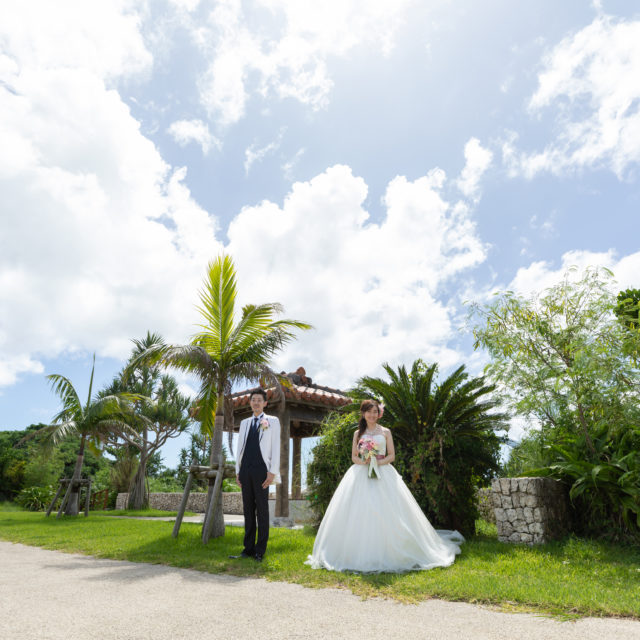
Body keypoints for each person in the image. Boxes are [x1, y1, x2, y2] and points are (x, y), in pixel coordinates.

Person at [306, 399, 464, 573]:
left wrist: (378, 462)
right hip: (361, 473)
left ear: (378, 413)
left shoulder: (386, 431)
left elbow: (392, 456)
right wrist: (365, 461)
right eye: (369, 412)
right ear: (363, 413)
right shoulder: (358, 433)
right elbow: (353, 457)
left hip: (384, 472)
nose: (372, 415)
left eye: (375, 412)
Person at [229, 388, 281, 562]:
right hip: (245, 470)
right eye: (253, 400)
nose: (256, 403)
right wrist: (238, 471)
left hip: (262, 470)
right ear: (250, 402)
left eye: (259, 400)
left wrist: (272, 471)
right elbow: (239, 449)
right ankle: (248, 549)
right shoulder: (244, 423)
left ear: (265, 403)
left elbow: (276, 446)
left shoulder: (272, 421)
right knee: (248, 510)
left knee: (262, 511)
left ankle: (260, 551)